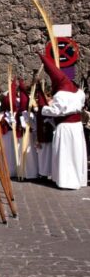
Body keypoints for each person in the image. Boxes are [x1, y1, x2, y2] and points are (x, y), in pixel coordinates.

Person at [39, 53, 87, 190]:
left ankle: (66, 180)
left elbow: (56, 111)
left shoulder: (60, 95)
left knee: (65, 153)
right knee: (76, 152)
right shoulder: (79, 92)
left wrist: (43, 109)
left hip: (65, 127)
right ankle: (78, 178)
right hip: (77, 127)